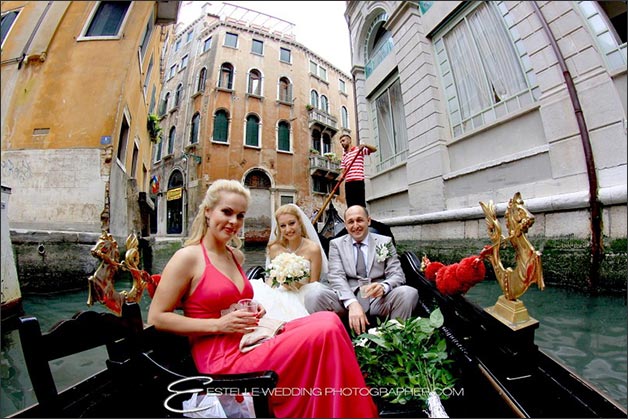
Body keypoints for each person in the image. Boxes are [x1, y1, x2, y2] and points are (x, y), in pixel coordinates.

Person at [147, 180, 378, 418]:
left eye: (240, 215)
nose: (234, 222)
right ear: (208, 211)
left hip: (248, 338)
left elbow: (228, 302)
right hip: (221, 357)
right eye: (226, 212)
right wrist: (217, 325)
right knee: (325, 332)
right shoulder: (187, 257)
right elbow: (157, 317)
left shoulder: (233, 255)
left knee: (329, 320)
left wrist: (253, 307)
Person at [305, 205, 418, 335]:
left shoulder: (385, 242)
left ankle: (394, 339)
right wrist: (352, 303)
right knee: (312, 295)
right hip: (345, 300)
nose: (355, 225)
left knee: (408, 293)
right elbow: (336, 277)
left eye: (359, 220)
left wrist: (384, 286)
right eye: (351, 222)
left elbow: (397, 274)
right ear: (346, 225)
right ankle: (333, 339)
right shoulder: (336, 244)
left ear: (368, 221)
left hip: (378, 299)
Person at [249, 203, 328, 322]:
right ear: (279, 228)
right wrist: (268, 293)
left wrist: (295, 284)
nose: (288, 229)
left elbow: (314, 285)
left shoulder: (313, 249)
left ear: (300, 222)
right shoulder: (274, 248)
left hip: (303, 294)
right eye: (283, 226)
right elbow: (271, 278)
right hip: (278, 291)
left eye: (292, 223)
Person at [339, 134, 377, 208]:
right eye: (340, 142)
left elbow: (374, 150)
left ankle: (362, 218)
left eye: (343, 141)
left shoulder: (358, 150)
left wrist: (365, 145)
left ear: (349, 140)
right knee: (350, 206)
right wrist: (341, 177)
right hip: (348, 183)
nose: (342, 143)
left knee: (360, 205)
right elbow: (343, 171)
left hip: (358, 181)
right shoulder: (344, 156)